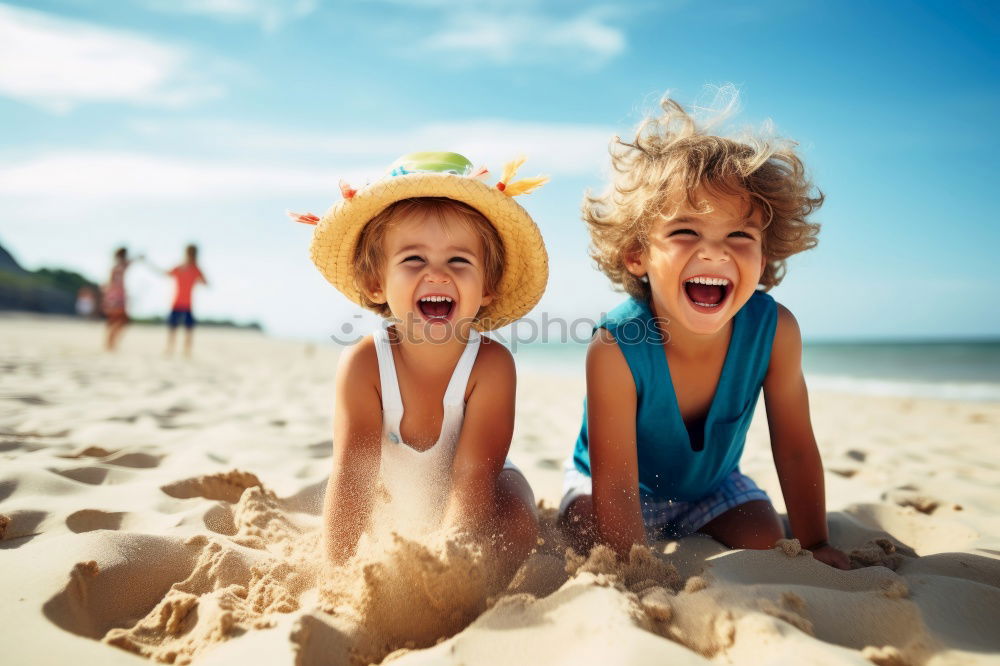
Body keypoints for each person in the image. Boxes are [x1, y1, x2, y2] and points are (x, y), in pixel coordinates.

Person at [559, 94, 851, 570]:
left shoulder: (774, 331)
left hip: (710, 486)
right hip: (616, 486)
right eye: (685, 232)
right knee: (587, 530)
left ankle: (701, 525)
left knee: (763, 535)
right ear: (638, 254)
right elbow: (614, 485)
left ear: (765, 256)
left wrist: (816, 544)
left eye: (740, 236)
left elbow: (796, 445)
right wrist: (638, 571)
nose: (715, 253)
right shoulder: (616, 345)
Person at [295, 151, 549, 574]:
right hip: (395, 493)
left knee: (517, 520)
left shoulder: (491, 365)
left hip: (477, 495)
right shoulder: (364, 364)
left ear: (487, 286)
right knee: (363, 509)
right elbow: (352, 474)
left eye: (459, 261)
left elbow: (475, 477)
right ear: (376, 283)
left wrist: (447, 563)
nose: (437, 274)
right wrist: (335, 569)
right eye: (413, 259)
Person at [160, 244, 208, 357]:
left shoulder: (195, 269)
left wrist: (196, 280)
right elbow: (166, 273)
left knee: (188, 329)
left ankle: (186, 351)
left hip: (188, 304)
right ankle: (170, 349)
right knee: (173, 328)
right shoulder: (180, 267)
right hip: (176, 302)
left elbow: (205, 282)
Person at [102, 247, 139, 351]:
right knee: (120, 320)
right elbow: (110, 282)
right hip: (117, 296)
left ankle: (110, 342)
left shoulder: (117, 266)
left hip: (115, 295)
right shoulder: (119, 266)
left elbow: (109, 282)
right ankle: (110, 343)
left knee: (116, 320)